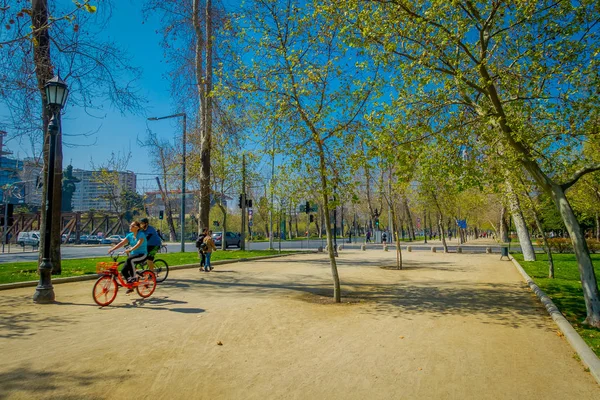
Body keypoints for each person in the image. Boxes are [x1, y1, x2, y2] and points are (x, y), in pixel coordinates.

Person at [108, 221, 147, 294]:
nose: (130, 227)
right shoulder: (130, 235)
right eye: (130, 226)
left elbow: (138, 244)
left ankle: (134, 278)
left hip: (142, 254)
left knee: (130, 260)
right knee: (123, 270)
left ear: (137, 228)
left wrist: (131, 249)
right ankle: (131, 285)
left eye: (133, 226)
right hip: (134, 254)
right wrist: (112, 249)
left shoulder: (141, 234)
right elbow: (121, 243)